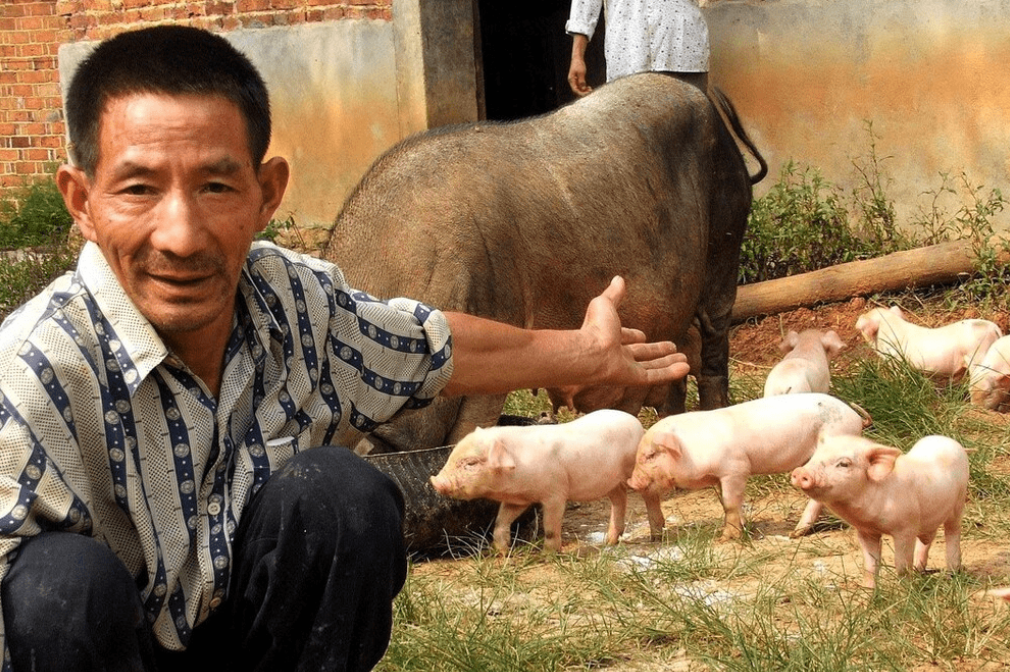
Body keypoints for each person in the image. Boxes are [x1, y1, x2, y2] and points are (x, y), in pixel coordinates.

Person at [0, 24, 689, 672]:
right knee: (59, 587)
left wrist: (583, 354)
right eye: (139, 189)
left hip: (247, 642)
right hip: (102, 652)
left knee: (341, 495)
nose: (181, 236)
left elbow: (431, 350)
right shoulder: (31, 375)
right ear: (83, 200)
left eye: (215, 186)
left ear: (267, 193)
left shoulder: (292, 303)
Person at [566, 0, 710, 96]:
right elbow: (584, 4)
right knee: (631, 137)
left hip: (684, 53)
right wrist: (577, 56)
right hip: (629, 57)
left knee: (691, 136)